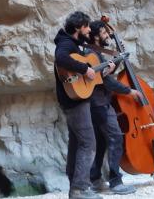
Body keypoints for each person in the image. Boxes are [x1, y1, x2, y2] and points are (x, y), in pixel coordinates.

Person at [86, 20, 139, 195]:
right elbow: (106, 81)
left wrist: (116, 62)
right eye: (103, 33)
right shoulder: (91, 54)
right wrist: (128, 91)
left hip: (97, 103)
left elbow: (104, 74)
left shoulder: (94, 52)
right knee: (116, 137)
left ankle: (95, 179)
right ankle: (115, 181)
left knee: (101, 142)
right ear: (94, 36)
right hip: (99, 103)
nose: (107, 35)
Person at [54, 11, 101, 199]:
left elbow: (88, 73)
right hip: (74, 101)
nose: (89, 30)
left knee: (76, 143)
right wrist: (84, 68)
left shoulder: (74, 44)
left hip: (75, 99)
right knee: (88, 142)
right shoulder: (66, 43)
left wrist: (97, 70)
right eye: (87, 26)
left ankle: (75, 186)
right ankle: (80, 189)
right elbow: (62, 59)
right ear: (77, 28)